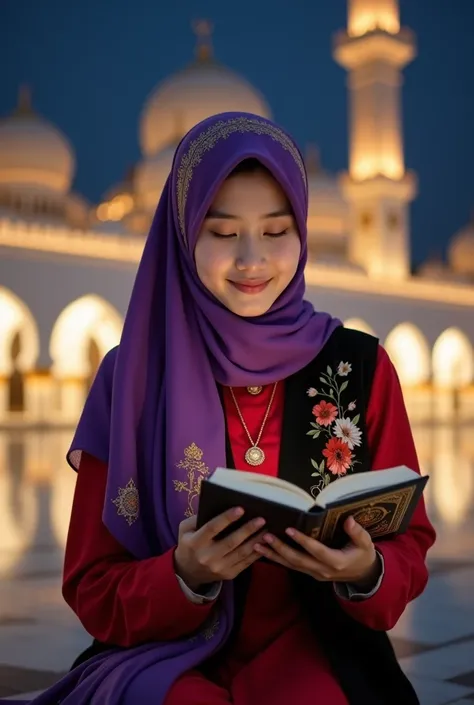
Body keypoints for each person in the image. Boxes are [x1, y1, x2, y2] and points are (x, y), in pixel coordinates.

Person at [8, 112, 435, 705]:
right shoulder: (131, 376)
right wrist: (183, 573)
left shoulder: (358, 368)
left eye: (278, 230)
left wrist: (366, 571)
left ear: (305, 233)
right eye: (223, 232)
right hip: (165, 649)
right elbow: (91, 586)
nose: (252, 261)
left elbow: (408, 544)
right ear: (183, 234)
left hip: (315, 644)